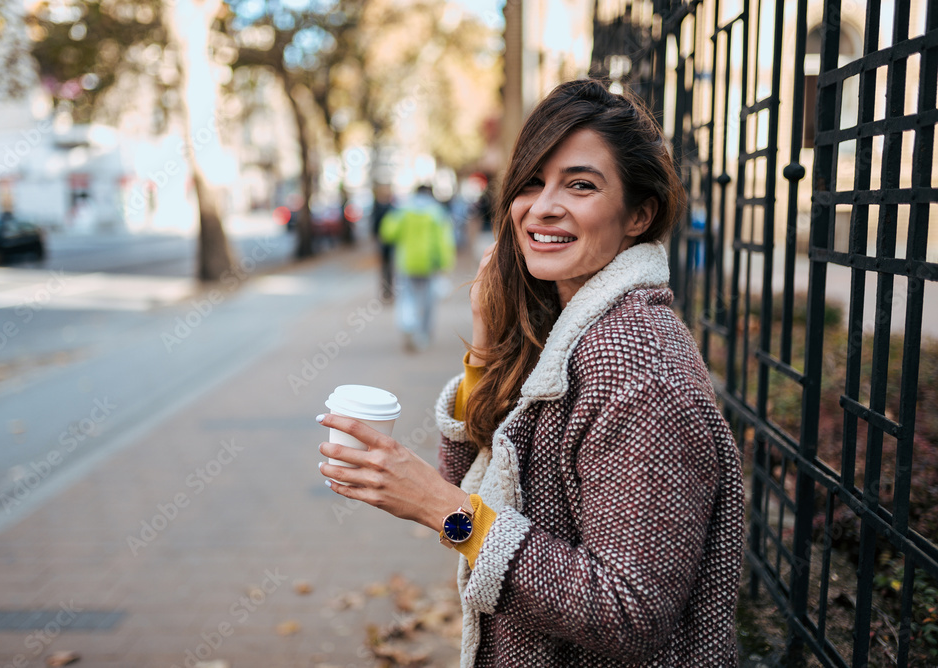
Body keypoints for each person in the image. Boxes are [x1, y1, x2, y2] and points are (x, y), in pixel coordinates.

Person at [316, 78, 745, 666]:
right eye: (531, 183)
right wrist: (487, 343)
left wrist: (440, 509)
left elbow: (630, 614)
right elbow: (474, 475)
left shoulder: (638, 372)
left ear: (639, 214)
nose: (542, 207)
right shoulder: (567, 328)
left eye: (581, 185)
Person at [379, 184, 456, 352]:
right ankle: (424, 334)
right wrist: (444, 263)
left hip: (406, 262)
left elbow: (388, 232)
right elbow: (444, 240)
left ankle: (408, 323)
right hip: (429, 263)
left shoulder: (403, 210)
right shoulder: (436, 212)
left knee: (407, 296)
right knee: (428, 301)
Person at [370, 184, 396, 302]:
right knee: (385, 269)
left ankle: (389, 291)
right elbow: (374, 225)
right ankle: (386, 292)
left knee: (390, 269)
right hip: (384, 242)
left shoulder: (391, 207)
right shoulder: (380, 207)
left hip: (391, 242)